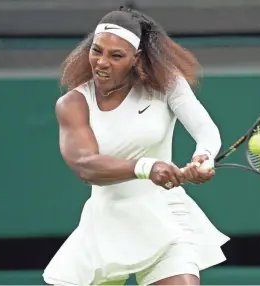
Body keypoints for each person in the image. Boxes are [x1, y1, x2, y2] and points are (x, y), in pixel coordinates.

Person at [43, 6, 230, 286]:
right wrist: (147, 167)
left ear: (136, 58)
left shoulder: (167, 85)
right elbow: (85, 165)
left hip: (164, 215)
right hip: (105, 226)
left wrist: (203, 157)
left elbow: (206, 130)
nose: (102, 62)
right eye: (97, 51)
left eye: (116, 55)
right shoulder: (73, 103)